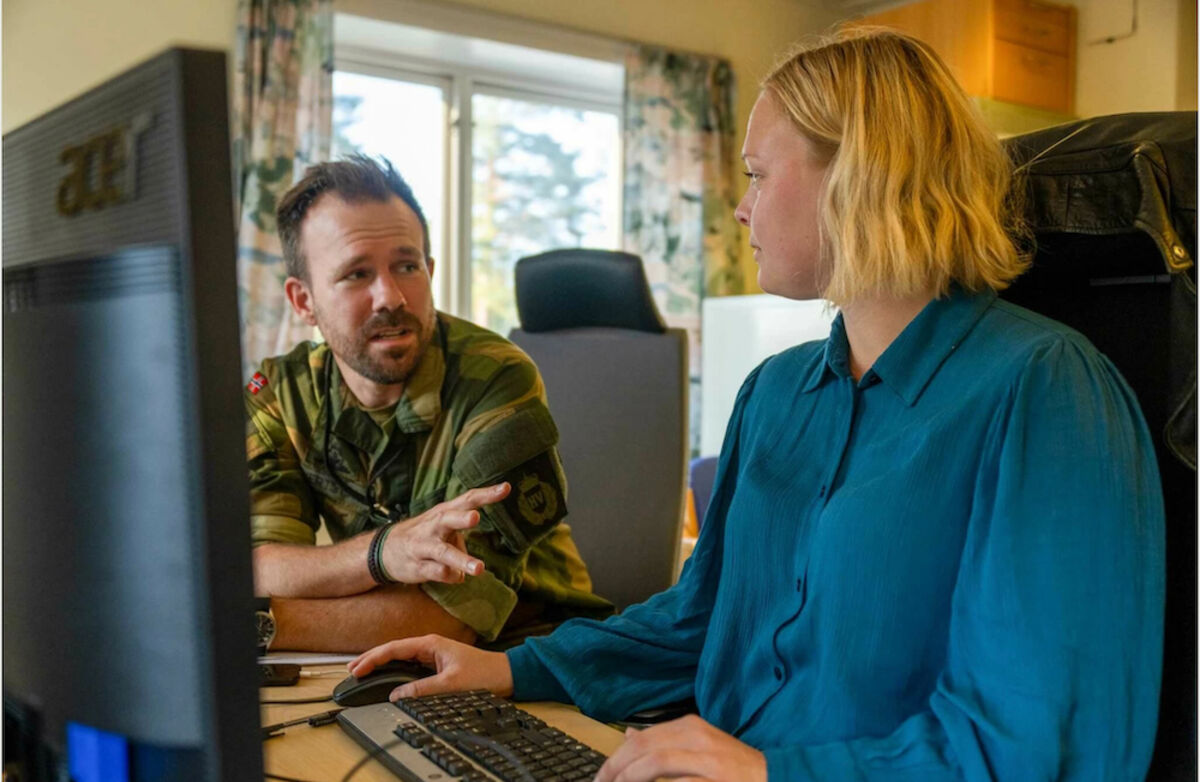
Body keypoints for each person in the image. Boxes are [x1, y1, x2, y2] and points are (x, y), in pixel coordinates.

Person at [349, 29, 1165, 781]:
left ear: (859, 175)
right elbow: (701, 619)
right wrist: (510, 670)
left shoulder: (1043, 390)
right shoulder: (777, 392)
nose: (741, 208)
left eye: (757, 175)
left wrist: (768, 773)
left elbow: (1042, 746)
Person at [245, 155, 614, 653]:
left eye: (407, 266)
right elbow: (261, 565)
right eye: (357, 274)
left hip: (532, 652)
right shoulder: (280, 395)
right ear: (303, 301)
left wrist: (267, 623)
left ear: (430, 270)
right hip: (370, 656)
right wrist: (381, 554)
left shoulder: (495, 377)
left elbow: (460, 615)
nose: (391, 296)